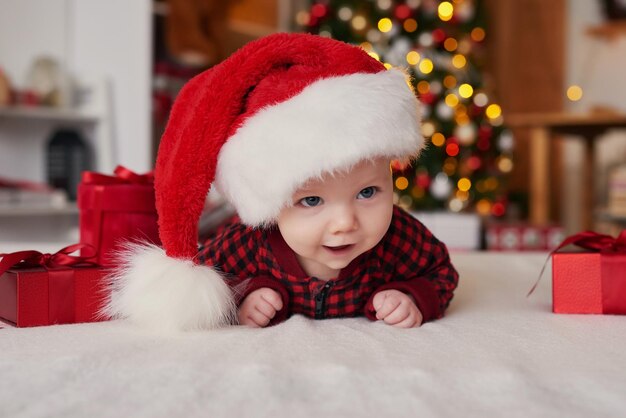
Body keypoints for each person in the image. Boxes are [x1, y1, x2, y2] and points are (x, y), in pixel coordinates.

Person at [102, 33, 458, 332]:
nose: (345, 223)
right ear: (273, 203)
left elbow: (441, 272)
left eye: (367, 192)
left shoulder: (399, 237)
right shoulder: (251, 242)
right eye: (312, 201)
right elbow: (206, 279)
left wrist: (413, 296)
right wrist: (246, 295)